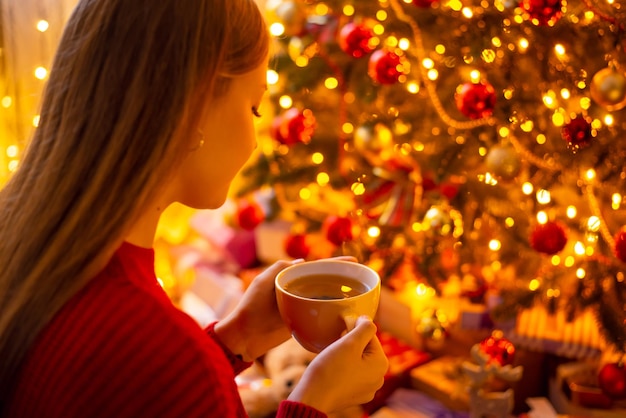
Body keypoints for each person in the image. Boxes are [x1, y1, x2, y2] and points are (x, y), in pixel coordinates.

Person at [0, 0, 389, 417]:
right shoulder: (161, 349)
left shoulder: (22, 238)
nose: (257, 139)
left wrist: (232, 341)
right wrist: (317, 404)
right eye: (254, 106)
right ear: (196, 105)